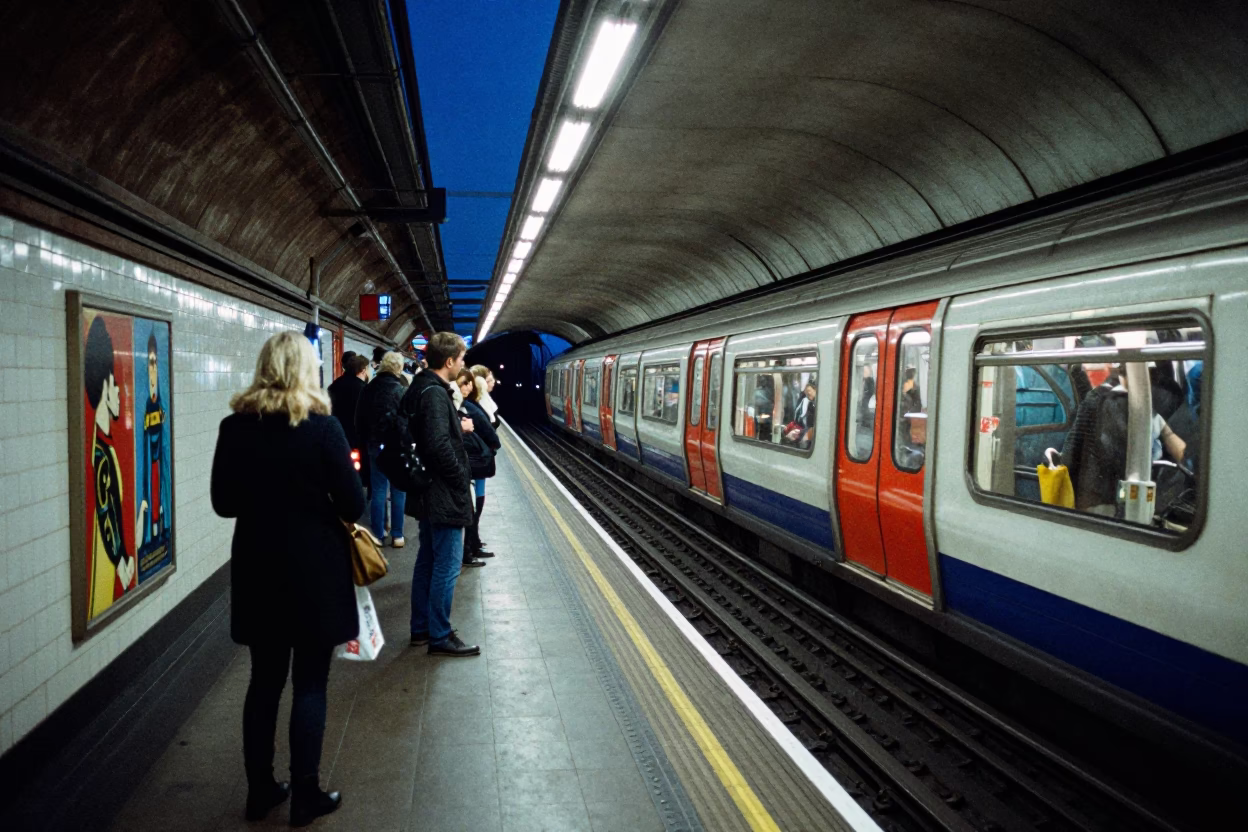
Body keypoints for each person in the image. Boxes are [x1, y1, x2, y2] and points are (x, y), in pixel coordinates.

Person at [210, 331, 364, 826]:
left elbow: (224, 504)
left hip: (258, 567)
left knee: (263, 682)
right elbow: (353, 504)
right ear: (307, 371)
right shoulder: (324, 428)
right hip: (315, 570)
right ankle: (305, 794)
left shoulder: (235, 427)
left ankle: (260, 791)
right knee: (311, 684)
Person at [402, 332, 480, 657]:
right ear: (449, 362)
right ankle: (439, 634)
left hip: (427, 491)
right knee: (446, 565)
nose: (463, 365)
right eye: (461, 359)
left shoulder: (421, 387)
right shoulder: (435, 394)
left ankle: (421, 628)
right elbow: (437, 445)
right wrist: (461, 477)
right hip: (442, 492)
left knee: (427, 560)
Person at [357, 351, 408, 547]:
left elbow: (359, 418)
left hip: (374, 444)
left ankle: (378, 534)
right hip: (397, 446)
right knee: (398, 490)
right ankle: (398, 535)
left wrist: (366, 440)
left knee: (378, 489)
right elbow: (406, 419)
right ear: (398, 368)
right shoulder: (401, 389)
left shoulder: (368, 389)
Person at [460, 369, 500, 561]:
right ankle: (470, 548)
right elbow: (490, 432)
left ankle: (473, 544)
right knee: (475, 505)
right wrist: (490, 449)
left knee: (475, 505)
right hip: (475, 463)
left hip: (473, 461)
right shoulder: (469, 407)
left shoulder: (466, 406)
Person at [328, 352, 370, 480]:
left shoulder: (334, 385)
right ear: (362, 370)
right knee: (358, 472)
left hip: (338, 433)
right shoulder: (364, 389)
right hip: (357, 436)